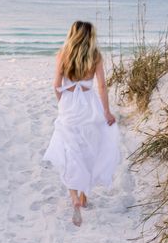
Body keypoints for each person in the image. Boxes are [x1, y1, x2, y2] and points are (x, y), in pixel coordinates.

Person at [42, 20, 121, 227]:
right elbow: (102, 86)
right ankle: (85, 196)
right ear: (90, 36)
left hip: (69, 105)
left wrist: (63, 103)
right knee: (90, 148)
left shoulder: (63, 54)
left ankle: (75, 198)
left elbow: (56, 85)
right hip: (89, 106)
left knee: (70, 150)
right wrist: (106, 111)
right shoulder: (95, 56)